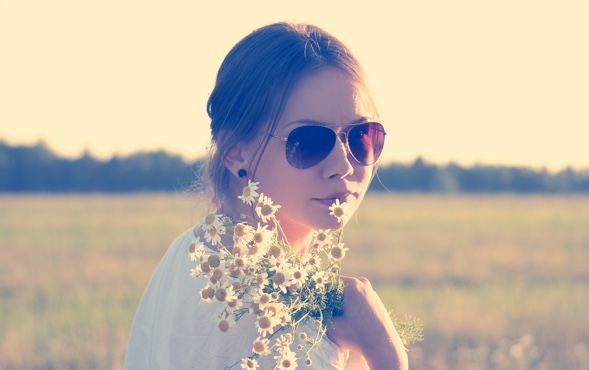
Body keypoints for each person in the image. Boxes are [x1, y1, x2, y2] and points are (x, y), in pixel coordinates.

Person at [124, 22, 408, 369]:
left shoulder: (191, 255)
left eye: (361, 136)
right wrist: (385, 351)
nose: (343, 165)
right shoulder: (269, 317)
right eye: (308, 142)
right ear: (235, 153)